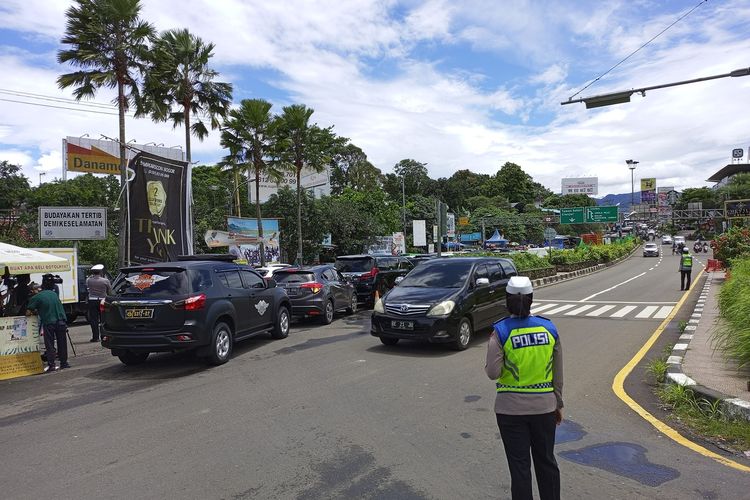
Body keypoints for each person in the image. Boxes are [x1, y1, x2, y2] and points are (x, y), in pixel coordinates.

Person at [486, 276, 563, 500]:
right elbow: (558, 375)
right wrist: (558, 403)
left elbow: (493, 373)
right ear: (530, 299)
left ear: (507, 300)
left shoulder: (500, 331)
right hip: (545, 409)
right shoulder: (549, 329)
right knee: (547, 462)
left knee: (519, 468)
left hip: (510, 412)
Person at [26, 278, 69, 372]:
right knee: (62, 343)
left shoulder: (36, 297)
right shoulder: (53, 293)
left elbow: (28, 312)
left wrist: (35, 311)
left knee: (49, 344)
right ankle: (64, 363)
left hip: (49, 322)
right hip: (61, 320)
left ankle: (52, 365)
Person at [86, 264, 111, 342]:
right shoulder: (105, 281)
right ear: (100, 272)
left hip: (92, 300)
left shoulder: (89, 280)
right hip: (102, 300)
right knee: (103, 319)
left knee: (94, 320)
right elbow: (109, 290)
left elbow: (87, 288)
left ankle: (95, 337)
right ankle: (104, 336)